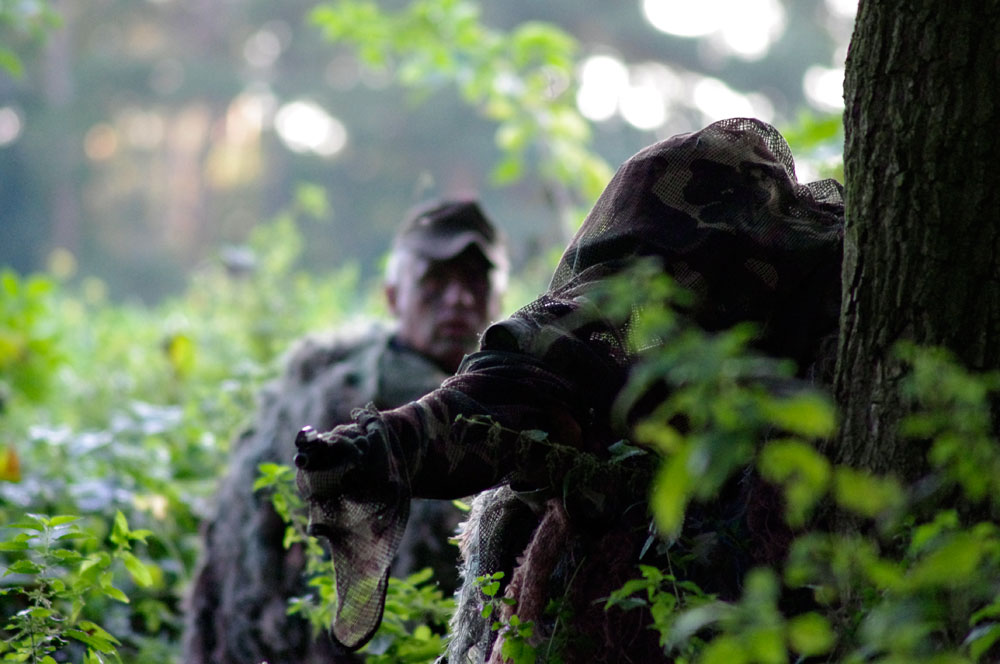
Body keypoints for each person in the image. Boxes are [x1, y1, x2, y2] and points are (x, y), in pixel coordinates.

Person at [293, 118, 846, 663]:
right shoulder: (797, 335)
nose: (456, 301)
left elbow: (512, 387)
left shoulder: (814, 346)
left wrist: (380, 446)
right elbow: (514, 385)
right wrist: (379, 446)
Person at [182, 198, 509, 664]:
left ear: (499, 301)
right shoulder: (356, 393)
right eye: (434, 283)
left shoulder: (507, 394)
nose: (457, 300)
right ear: (394, 296)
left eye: (475, 283)